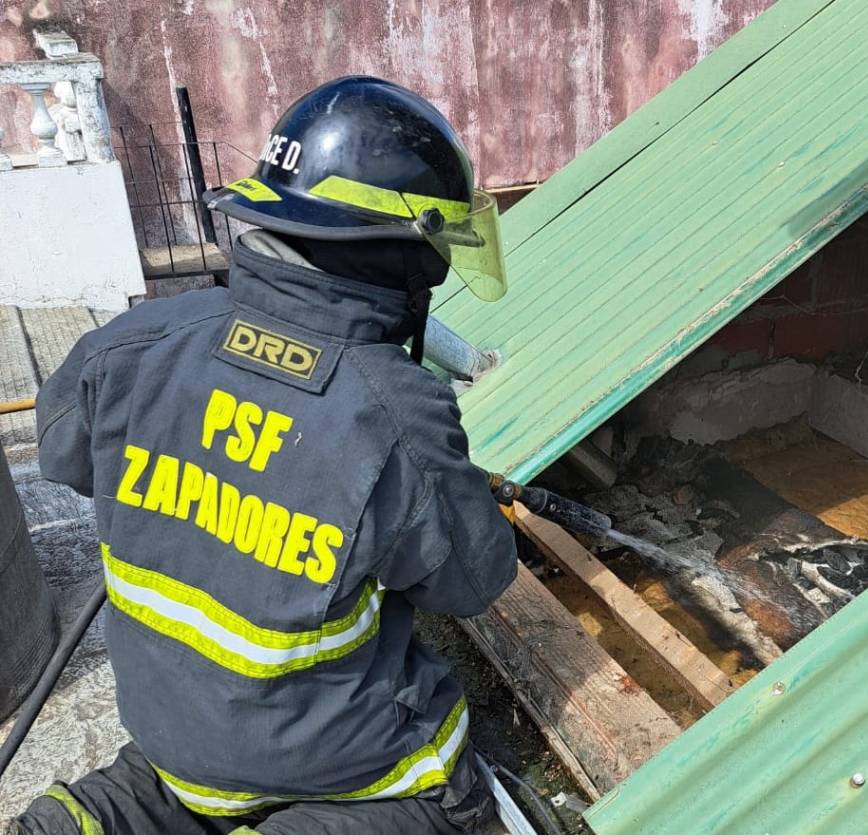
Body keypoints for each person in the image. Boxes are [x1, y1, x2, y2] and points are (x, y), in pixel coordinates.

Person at [17, 76, 518, 834]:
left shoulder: (133, 346)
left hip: (174, 748)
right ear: (395, 256)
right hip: (352, 770)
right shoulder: (397, 410)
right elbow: (474, 579)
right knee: (453, 805)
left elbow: (64, 458)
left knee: (97, 814)